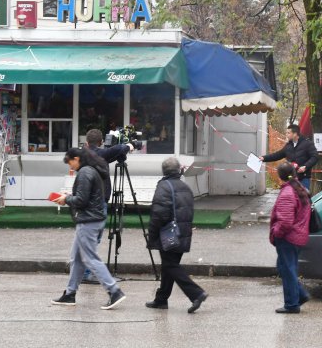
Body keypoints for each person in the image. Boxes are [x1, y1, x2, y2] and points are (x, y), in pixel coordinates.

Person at [51, 148, 126, 310]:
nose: (70, 167)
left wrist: (66, 199)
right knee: (76, 258)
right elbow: (86, 196)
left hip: (88, 221)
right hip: (94, 219)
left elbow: (82, 200)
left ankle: (114, 291)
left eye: (70, 162)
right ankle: (70, 294)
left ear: (76, 159)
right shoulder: (92, 170)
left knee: (90, 258)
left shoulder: (84, 172)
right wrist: (69, 196)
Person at [146, 157, 208, 313]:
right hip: (183, 234)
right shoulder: (185, 187)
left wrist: (151, 236)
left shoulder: (163, 187)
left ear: (164, 171)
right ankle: (161, 299)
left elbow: (158, 215)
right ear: (179, 170)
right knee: (169, 267)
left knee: (170, 266)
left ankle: (196, 293)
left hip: (168, 235)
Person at [80, 128, 134, 284]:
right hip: (96, 204)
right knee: (93, 239)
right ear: (101, 142)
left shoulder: (86, 155)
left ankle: (84, 272)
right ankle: (87, 273)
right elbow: (116, 150)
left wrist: (120, 150)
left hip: (88, 203)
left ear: (86, 143)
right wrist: (128, 146)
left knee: (88, 238)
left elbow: (110, 153)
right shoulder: (97, 155)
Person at [270, 162, 312, 314]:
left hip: (288, 238)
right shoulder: (299, 188)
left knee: (287, 270)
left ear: (280, 177)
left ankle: (292, 304)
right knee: (285, 268)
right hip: (298, 236)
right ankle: (300, 295)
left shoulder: (288, 193)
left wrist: (276, 232)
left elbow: (286, 222)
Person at [260, 124, 318, 190]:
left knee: (303, 199)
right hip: (291, 178)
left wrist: (305, 166)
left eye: (288, 133)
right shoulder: (288, 146)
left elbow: (315, 157)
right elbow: (277, 155)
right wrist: (264, 158)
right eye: (286, 133)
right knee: (291, 198)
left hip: (303, 178)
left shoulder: (308, 143)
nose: (286, 134)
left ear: (295, 134)